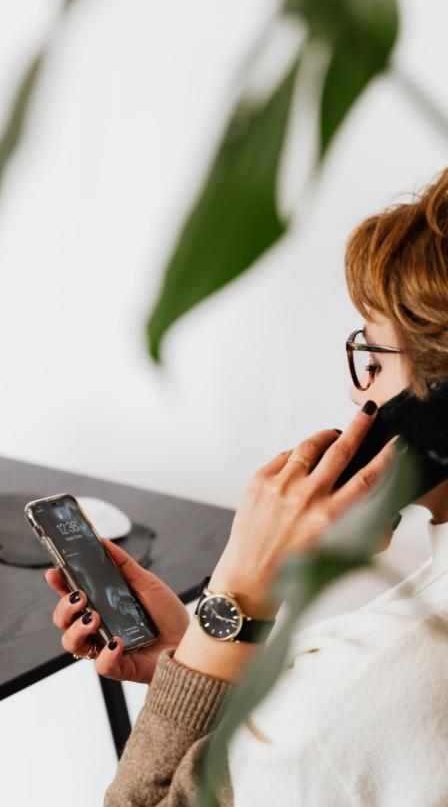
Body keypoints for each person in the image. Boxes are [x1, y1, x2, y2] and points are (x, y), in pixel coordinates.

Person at [46, 170, 448, 805]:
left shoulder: (381, 669)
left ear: (437, 407)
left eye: (374, 362)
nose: (356, 390)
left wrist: (237, 590)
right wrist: (201, 655)